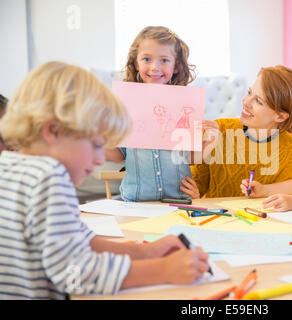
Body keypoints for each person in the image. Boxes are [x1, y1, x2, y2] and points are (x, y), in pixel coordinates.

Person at [0, 61, 209, 299]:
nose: (101, 159)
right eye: (97, 145)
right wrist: (164, 269)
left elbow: (79, 239)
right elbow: (75, 276)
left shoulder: (11, 167)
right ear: (53, 131)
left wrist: (145, 252)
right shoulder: (49, 177)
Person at [106, 26, 211, 202]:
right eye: (147, 59)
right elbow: (118, 156)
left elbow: (190, 158)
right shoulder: (126, 104)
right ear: (136, 63)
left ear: (176, 66)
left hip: (179, 198)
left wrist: (210, 142)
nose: (155, 67)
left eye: (164, 60)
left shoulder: (185, 105)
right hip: (135, 201)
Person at [181, 65, 292, 198]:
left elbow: (278, 204)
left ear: (281, 116)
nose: (246, 102)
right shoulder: (219, 129)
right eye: (249, 92)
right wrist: (193, 196)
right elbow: (196, 185)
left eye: (258, 101)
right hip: (214, 216)